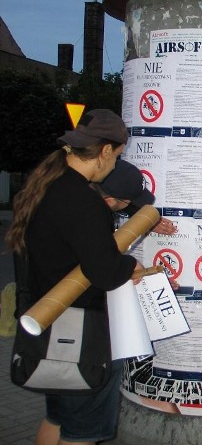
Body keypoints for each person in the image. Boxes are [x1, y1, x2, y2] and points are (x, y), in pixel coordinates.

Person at [5, 109, 142, 445]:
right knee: (81, 432)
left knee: (58, 418)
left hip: (48, 326)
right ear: (105, 150)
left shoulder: (46, 185)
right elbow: (105, 272)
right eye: (117, 156)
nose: (114, 166)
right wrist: (131, 265)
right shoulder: (82, 200)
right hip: (80, 337)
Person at [93, 159, 177, 236]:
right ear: (109, 202)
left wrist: (141, 217)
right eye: (131, 202)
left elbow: (119, 201)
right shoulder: (89, 227)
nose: (132, 205)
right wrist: (135, 227)